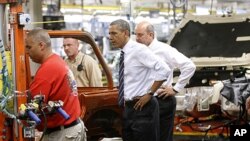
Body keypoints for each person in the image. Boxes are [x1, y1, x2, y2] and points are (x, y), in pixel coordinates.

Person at [109, 19, 171, 141]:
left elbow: (164, 69)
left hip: (143, 108)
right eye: (109, 34)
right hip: (129, 108)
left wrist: (150, 93)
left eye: (114, 33)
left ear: (126, 33)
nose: (110, 37)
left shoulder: (139, 50)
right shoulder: (124, 53)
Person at [135, 21, 196, 141]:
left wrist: (175, 88)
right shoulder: (139, 51)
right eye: (136, 35)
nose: (137, 38)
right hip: (143, 101)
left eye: (140, 35)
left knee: (162, 137)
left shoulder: (164, 50)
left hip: (161, 100)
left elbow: (189, 66)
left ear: (151, 35)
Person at [25, 29, 86, 141]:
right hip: (73, 128)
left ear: (41, 45)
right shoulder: (56, 60)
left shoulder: (48, 69)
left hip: (63, 133)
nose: (26, 51)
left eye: (29, 47)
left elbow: (32, 105)